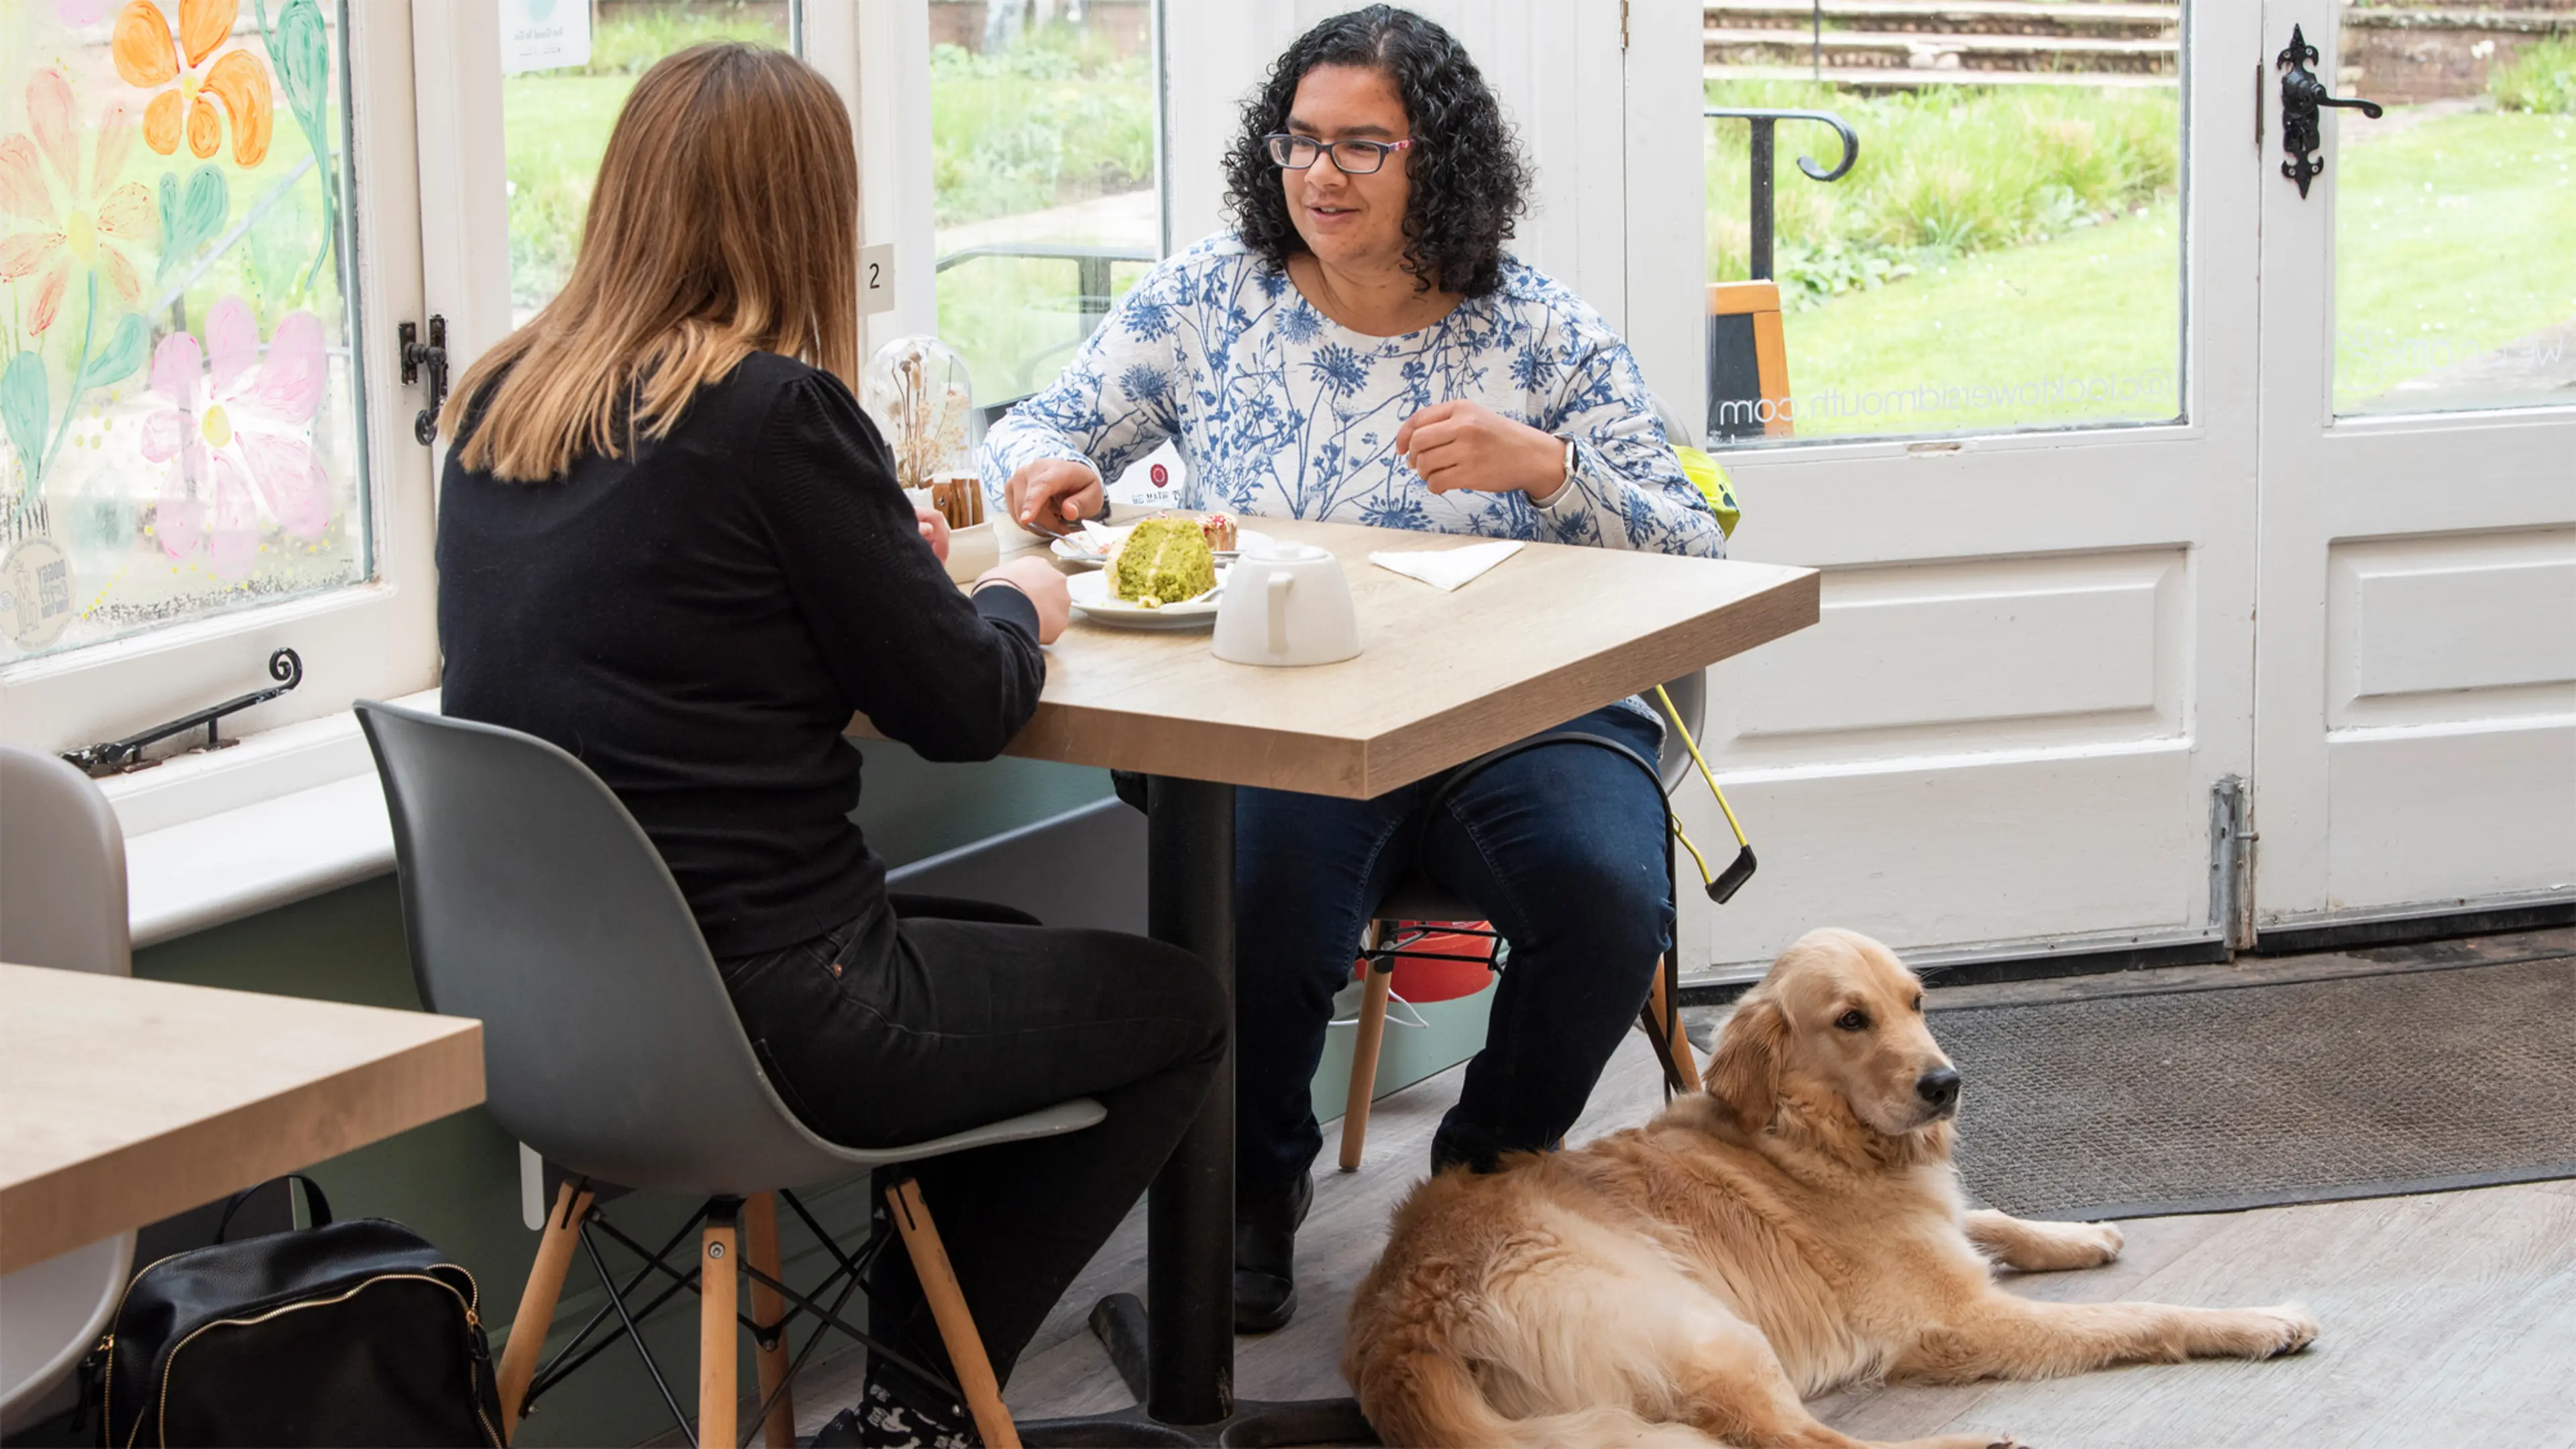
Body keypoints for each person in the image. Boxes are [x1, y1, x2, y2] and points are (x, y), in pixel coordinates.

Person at [434, 45, 1224, 1449]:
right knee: (1179, 1006)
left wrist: (864, 557)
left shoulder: (502, 400)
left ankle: (915, 1408)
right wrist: (1016, 599)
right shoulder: (773, 416)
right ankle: (918, 1415)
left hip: (548, 1026)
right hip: (780, 1017)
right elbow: (965, 707)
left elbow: (668, 616)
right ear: (806, 218)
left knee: (994, 945)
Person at [983, 5, 1726, 1333]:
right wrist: (1044, 468)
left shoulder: (1537, 329)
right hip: (1289, 712)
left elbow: (1692, 541)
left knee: (1612, 902)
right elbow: (1038, 423)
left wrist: (1548, 468)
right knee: (1262, 906)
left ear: (1438, 158)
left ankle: (1482, 1183)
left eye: (1361, 146)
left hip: (1524, 719)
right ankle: (1253, 1191)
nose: (1319, 175)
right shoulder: (1211, 299)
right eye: (1300, 141)